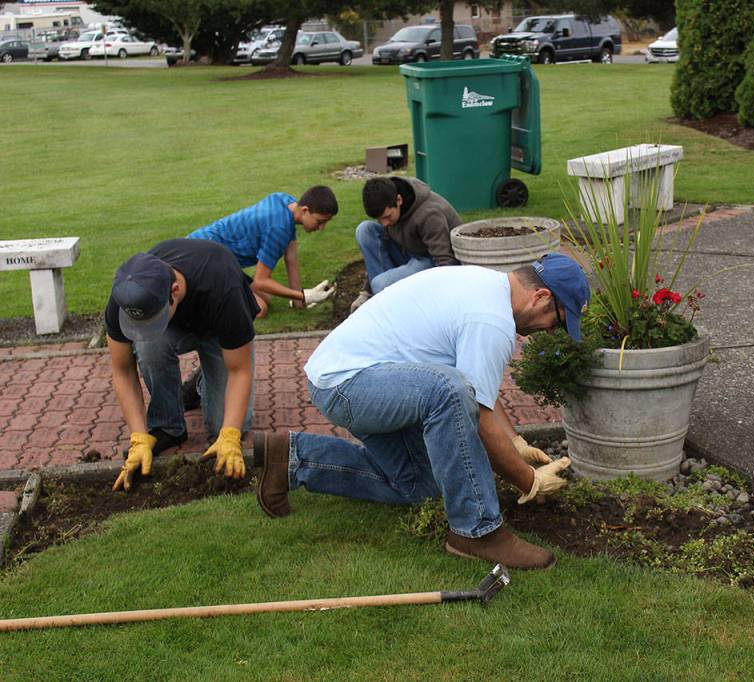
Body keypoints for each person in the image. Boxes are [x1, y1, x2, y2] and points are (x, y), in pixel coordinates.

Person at [252, 253, 590, 570]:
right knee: (448, 392)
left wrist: (514, 441)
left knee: (421, 485)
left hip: (354, 379)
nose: (550, 331)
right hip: (350, 384)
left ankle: (292, 458)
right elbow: (472, 408)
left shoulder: (484, 285)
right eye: (557, 322)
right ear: (541, 296)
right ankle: (478, 532)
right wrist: (528, 480)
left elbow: (477, 390)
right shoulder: (492, 320)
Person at [105, 239, 260, 491]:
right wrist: (138, 438)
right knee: (147, 344)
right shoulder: (125, 297)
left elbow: (239, 370)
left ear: (174, 291)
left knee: (228, 424)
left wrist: (230, 434)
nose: (145, 326)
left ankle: (202, 382)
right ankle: (168, 426)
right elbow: (122, 370)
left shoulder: (224, 288)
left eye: (153, 318)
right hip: (174, 327)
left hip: (218, 330)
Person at [187, 186, 338, 319]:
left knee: (265, 296)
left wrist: (301, 301)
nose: (322, 227)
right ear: (305, 210)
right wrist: (305, 295)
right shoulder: (278, 229)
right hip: (202, 260)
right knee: (259, 309)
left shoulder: (286, 201)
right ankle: (196, 302)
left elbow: (291, 258)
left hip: (217, 258)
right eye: (320, 221)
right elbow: (261, 280)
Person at [349, 176, 462, 312]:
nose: (384, 223)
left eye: (386, 217)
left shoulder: (429, 214)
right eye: (379, 220)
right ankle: (382, 298)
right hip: (409, 253)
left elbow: (447, 264)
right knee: (365, 230)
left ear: (399, 200)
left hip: (432, 261)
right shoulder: (387, 197)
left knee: (381, 284)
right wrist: (366, 291)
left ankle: (389, 304)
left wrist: (444, 304)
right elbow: (377, 254)